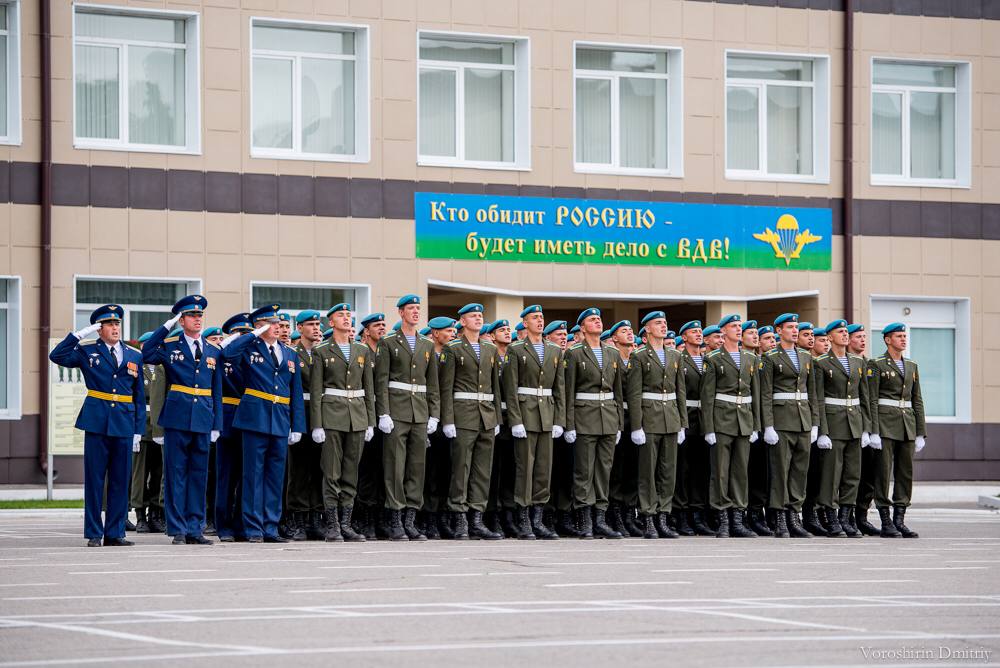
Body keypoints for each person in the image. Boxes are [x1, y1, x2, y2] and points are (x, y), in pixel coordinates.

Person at [51, 305, 145, 547]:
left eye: (117, 324)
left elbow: (138, 395)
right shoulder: (88, 351)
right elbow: (57, 356)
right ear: (99, 329)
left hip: (124, 423)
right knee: (95, 480)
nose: (115, 328)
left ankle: (115, 533)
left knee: (120, 480)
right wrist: (79, 335)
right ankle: (94, 532)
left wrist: (138, 430)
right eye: (109, 324)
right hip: (97, 421)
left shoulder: (134, 355)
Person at [142, 296, 223, 545]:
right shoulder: (170, 345)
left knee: (199, 475)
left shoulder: (212, 351)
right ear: (182, 319)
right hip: (177, 417)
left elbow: (216, 389)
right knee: (176, 474)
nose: (197, 319)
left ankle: (194, 528)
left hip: (203, 417)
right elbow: (147, 352)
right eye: (191, 316)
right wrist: (167, 326)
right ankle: (177, 528)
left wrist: (216, 424)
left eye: (200, 316)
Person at [222, 304, 306, 543]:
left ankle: (271, 526)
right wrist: (253, 334)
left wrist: (297, 425)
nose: (278, 327)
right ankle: (253, 527)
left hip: (280, 418)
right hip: (254, 418)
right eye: (272, 323)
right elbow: (227, 355)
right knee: (253, 475)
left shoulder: (289, 353)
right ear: (260, 326)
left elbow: (295, 392)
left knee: (274, 477)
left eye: (279, 323)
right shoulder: (249, 348)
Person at [375, 295, 441, 541]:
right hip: (397, 411)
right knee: (395, 466)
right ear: (401, 313)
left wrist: (434, 414)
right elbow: (380, 381)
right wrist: (383, 412)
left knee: (417, 467)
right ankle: (395, 519)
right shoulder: (388, 342)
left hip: (420, 412)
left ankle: (410, 519)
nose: (415, 312)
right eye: (411, 309)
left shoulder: (426, 344)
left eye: (417, 309)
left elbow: (432, 383)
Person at [310, 303, 376, 542]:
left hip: (357, 416)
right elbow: (317, 390)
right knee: (332, 472)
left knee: (351, 472)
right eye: (341, 315)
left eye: (349, 315)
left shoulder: (361, 349)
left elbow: (368, 388)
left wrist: (370, 421)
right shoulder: (322, 350)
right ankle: (332, 525)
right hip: (332, 416)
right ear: (331, 322)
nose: (347, 318)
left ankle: (346, 524)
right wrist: (317, 424)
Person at [441, 303, 504, 540]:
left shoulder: (489, 349)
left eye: (480, 315)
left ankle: (477, 518)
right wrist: (447, 420)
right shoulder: (453, 348)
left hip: (486, 415)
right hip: (463, 414)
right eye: (473, 316)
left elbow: (496, 388)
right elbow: (446, 387)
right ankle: (459, 518)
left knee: (482, 470)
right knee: (461, 468)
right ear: (462, 322)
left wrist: (496, 416)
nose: (478, 319)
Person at [503, 305, 565, 540]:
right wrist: (515, 420)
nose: (539, 321)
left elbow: (559, 388)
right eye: (534, 318)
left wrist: (559, 420)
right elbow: (510, 388)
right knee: (525, 469)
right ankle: (524, 519)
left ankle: (538, 519)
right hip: (526, 413)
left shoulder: (553, 350)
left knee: (542, 469)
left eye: (541, 317)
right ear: (525, 323)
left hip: (547, 415)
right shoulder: (516, 349)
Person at [564, 308, 626, 539]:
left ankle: (600, 518)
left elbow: (618, 392)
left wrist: (619, 423)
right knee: (584, 471)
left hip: (608, 417)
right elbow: (568, 391)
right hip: (584, 417)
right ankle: (585, 520)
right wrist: (569, 424)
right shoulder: (575, 353)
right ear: (582, 327)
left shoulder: (612, 352)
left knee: (603, 470)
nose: (597, 321)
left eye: (598, 318)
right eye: (592, 319)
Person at [627, 311, 687, 539]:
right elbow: (634, 394)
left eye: (664, 322)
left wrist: (682, 423)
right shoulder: (639, 355)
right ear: (647, 329)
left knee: (668, 470)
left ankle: (663, 515)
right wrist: (636, 426)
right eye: (658, 323)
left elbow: (679, 391)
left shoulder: (674, 355)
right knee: (648, 472)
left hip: (670, 418)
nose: (663, 326)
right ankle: (648, 517)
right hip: (649, 418)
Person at [700, 314, 760, 538]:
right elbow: (707, 397)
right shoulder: (713, 358)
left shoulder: (750, 359)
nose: (737, 329)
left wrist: (756, 425)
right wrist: (709, 428)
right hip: (722, 420)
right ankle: (723, 519)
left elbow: (755, 394)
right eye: (733, 326)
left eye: (738, 326)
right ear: (723, 332)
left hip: (744, 419)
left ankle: (737, 518)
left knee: (740, 472)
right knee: (720, 472)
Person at [761, 313, 820, 538]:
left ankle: (794, 515)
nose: (794, 331)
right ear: (778, 331)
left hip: (803, 419)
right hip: (781, 420)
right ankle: (780, 517)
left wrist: (815, 423)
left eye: (796, 327)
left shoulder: (805, 356)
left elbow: (812, 393)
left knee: (799, 471)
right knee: (780, 471)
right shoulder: (770, 357)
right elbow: (766, 394)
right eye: (790, 327)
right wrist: (768, 426)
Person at [868, 322, 925, 538]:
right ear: (887, 339)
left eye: (904, 336)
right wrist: (873, 430)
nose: (903, 339)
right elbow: (872, 399)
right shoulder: (877, 363)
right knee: (882, 473)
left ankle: (899, 519)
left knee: (905, 473)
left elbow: (917, 399)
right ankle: (885, 520)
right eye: (898, 336)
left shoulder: (911, 365)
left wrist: (920, 431)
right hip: (884, 425)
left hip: (907, 426)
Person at [814, 319, 870, 538]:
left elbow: (864, 398)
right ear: (829, 337)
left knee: (852, 474)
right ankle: (832, 518)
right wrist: (823, 431)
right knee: (831, 474)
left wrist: (866, 428)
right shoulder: (821, 363)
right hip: (834, 424)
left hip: (854, 423)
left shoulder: (857, 362)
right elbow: (819, 399)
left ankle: (847, 517)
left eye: (847, 332)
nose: (845, 335)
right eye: (840, 332)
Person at [285, 310, 325, 540]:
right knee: (298, 470)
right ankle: (298, 519)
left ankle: (315, 518)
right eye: (310, 324)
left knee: (319, 468)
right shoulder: (291, 354)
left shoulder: (323, 352)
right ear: (299, 328)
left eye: (318, 324)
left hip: (322, 415)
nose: (316, 328)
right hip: (300, 414)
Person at [215, 313, 253, 542]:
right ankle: (223, 524)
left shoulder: (253, 358)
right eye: (240, 334)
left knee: (246, 475)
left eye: (248, 334)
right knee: (226, 476)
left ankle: (241, 523)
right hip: (228, 421)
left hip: (250, 420)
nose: (244, 338)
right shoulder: (224, 357)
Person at [676, 320, 714, 536]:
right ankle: (681, 514)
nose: (698, 335)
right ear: (684, 337)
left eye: (700, 331)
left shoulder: (707, 360)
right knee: (683, 470)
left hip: (704, 420)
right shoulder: (679, 360)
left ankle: (698, 514)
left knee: (701, 469)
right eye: (693, 332)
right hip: (687, 417)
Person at [422, 317, 458, 538]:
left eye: (454, 330)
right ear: (435, 334)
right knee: (430, 472)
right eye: (448, 330)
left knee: (448, 470)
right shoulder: (429, 356)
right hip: (429, 418)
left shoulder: (453, 354)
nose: (453, 333)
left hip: (452, 419)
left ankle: (444, 517)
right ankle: (429, 518)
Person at [356, 312, 387, 539]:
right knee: (365, 469)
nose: (382, 328)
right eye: (377, 325)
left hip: (384, 415)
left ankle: (378, 517)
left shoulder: (385, 352)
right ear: (366, 331)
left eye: (384, 325)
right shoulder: (361, 351)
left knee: (382, 468)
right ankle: (364, 518)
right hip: (364, 414)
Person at [131, 331, 166, 535]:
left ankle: (155, 513)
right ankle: (140, 515)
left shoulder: (162, 368)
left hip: (159, 426)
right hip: (143, 425)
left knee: (158, 472)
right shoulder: (137, 368)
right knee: (140, 473)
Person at [847, 323, 879, 535]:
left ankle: (861, 515)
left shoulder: (870, 364)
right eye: (858, 337)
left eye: (864, 337)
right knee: (849, 474)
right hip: (848, 426)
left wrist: (871, 429)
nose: (863, 340)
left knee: (869, 474)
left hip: (865, 425)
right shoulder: (845, 363)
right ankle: (846, 516)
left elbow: (871, 399)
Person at [487, 318, 517, 537]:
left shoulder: (514, 356)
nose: (507, 332)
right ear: (491, 335)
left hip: (513, 418)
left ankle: (508, 513)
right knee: (493, 470)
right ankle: (492, 514)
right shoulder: (490, 356)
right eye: (502, 330)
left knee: (511, 469)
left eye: (508, 329)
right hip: (493, 417)